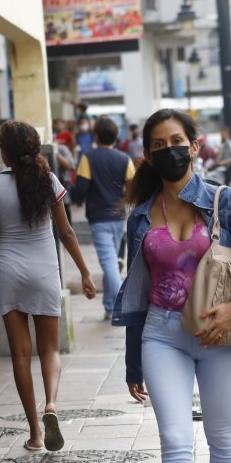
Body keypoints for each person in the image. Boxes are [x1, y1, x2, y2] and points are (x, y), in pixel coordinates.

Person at [114, 108, 231, 463]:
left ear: (194, 146)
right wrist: (133, 361)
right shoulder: (140, 216)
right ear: (148, 157)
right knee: (174, 440)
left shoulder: (225, 202)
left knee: (222, 438)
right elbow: (138, 293)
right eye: (158, 146)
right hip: (162, 333)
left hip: (222, 334)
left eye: (176, 143)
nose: (169, 152)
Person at [0, 121, 96, 452]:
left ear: (5, 152)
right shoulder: (50, 180)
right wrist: (85, 273)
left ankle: (34, 433)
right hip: (45, 273)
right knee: (50, 350)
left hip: (7, 274)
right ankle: (51, 405)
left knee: (20, 354)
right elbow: (67, 232)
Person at [72, 117, 135, 321]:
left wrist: (77, 199)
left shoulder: (88, 158)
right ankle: (109, 305)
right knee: (112, 262)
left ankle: (118, 306)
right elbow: (133, 186)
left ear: (96, 137)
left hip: (99, 217)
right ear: (116, 137)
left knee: (109, 263)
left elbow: (80, 187)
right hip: (119, 217)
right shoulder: (125, 159)